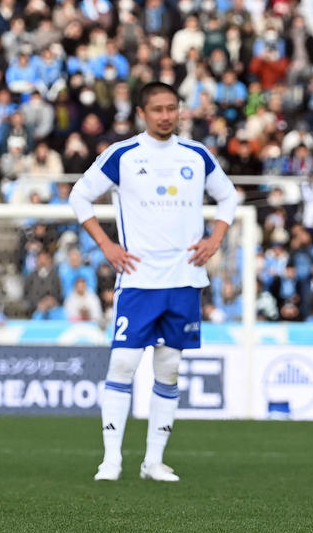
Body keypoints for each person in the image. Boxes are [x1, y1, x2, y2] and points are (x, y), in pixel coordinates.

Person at [68, 82, 238, 483]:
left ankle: (154, 461)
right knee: (124, 361)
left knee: (170, 366)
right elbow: (79, 196)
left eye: (172, 108)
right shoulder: (123, 155)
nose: (166, 116)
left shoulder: (196, 155)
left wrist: (214, 239)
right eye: (158, 109)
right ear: (142, 113)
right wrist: (107, 244)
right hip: (139, 278)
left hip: (184, 279)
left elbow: (228, 198)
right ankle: (111, 460)